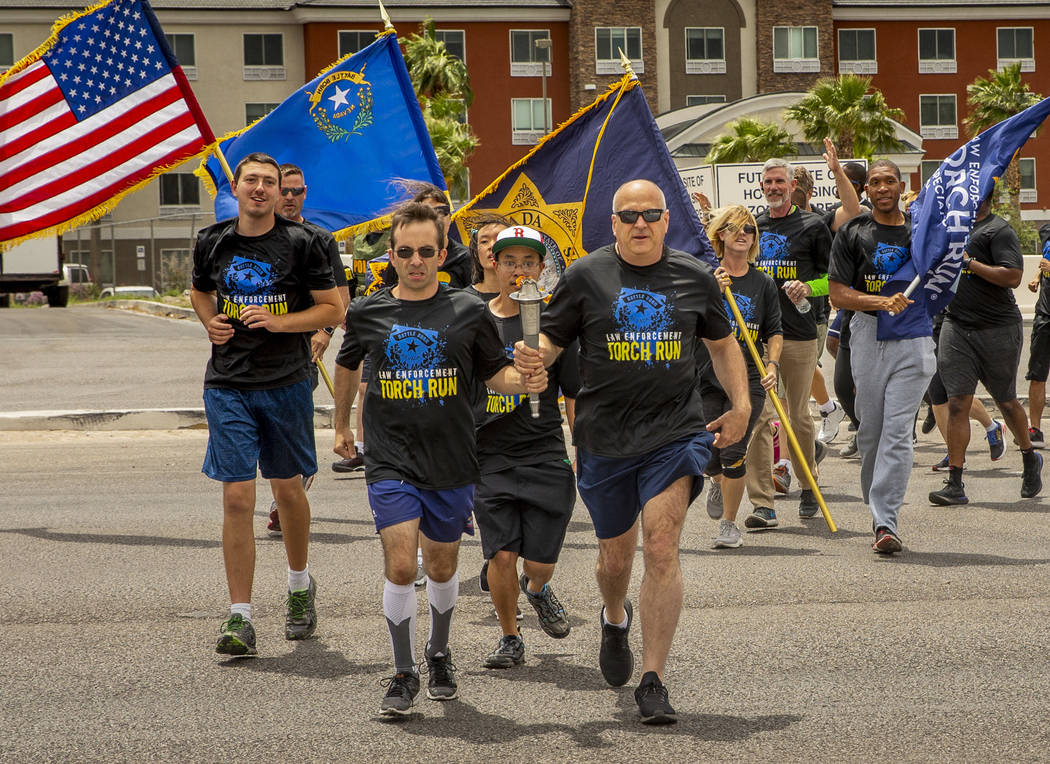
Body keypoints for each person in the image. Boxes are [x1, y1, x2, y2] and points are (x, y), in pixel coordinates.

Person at [514, 179, 750, 725]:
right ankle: (614, 616)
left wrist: (740, 405)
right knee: (614, 558)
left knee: (662, 545)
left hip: (674, 434)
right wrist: (535, 360)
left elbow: (722, 344)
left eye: (650, 214)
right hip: (605, 439)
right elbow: (551, 339)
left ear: (667, 220)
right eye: (628, 216)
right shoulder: (584, 277)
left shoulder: (694, 277)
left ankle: (654, 679)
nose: (639, 223)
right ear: (613, 223)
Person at [331, 202, 547, 717]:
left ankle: (439, 651)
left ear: (442, 253)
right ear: (392, 255)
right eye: (405, 252)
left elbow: (499, 376)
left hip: (451, 457)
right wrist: (341, 424)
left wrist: (529, 379)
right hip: (390, 458)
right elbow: (346, 365)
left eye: (426, 251)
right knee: (404, 564)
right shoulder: (367, 311)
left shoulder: (469, 312)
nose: (416, 261)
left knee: (444, 564)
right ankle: (404, 671)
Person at [189, 152, 342, 655]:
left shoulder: (306, 243)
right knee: (237, 496)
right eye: (250, 180)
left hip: (286, 381)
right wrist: (209, 321)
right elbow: (199, 291)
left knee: (288, 489)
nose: (259, 189)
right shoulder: (212, 241)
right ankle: (240, 617)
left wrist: (280, 322)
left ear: (281, 193)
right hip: (228, 382)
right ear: (235, 188)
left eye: (269, 183)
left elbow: (332, 308)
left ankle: (299, 586)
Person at [474, 225, 580, 668]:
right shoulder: (473, 318)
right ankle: (510, 635)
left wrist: (585, 451)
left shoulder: (555, 323)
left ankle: (535, 590)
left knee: (538, 564)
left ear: (541, 269)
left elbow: (572, 392)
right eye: (510, 261)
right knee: (501, 553)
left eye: (529, 262)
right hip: (489, 454)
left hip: (543, 451)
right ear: (493, 265)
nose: (519, 270)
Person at [828, 159, 935, 554]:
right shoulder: (853, 232)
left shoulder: (921, 232)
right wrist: (880, 301)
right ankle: (878, 513)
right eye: (875, 182)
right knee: (871, 432)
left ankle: (886, 521)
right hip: (869, 334)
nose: (883, 187)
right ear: (867, 190)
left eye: (890, 180)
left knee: (897, 434)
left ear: (901, 184)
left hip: (914, 336)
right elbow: (838, 294)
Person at [928, 192, 1043, 505]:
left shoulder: (998, 230)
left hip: (997, 328)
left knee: (1005, 401)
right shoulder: (951, 231)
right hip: (956, 325)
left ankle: (1029, 457)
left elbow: (1013, 276)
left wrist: (969, 263)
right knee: (957, 403)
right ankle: (955, 481)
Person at [745, 157, 832, 526]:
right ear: (761, 187)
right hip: (758, 340)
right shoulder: (753, 227)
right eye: (768, 183)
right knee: (760, 419)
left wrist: (807, 287)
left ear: (793, 185)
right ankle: (763, 503)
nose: (774, 188)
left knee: (797, 416)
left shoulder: (813, 225)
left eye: (780, 182)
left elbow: (834, 280)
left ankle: (808, 485)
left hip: (799, 334)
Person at [267, 162, 351, 535]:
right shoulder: (255, 238)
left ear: (305, 194)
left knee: (292, 424)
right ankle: (285, 491)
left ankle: (287, 498)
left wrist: (325, 331)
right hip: (260, 352)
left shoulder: (319, 239)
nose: (289, 197)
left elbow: (341, 296)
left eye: (296, 191)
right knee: (270, 430)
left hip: (303, 350)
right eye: (283, 190)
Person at [701, 205, 782, 549]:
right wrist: (712, 291)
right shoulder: (706, 277)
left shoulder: (762, 282)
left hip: (748, 376)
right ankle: (715, 479)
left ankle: (728, 524)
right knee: (707, 450)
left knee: (733, 449)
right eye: (735, 227)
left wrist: (773, 365)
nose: (744, 233)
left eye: (750, 229)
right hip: (705, 375)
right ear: (721, 233)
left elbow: (775, 331)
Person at [1024, 223, 1050, 448]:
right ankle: (1035, 430)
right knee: (1037, 373)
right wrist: (1037, 276)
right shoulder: (1046, 230)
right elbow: (1045, 263)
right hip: (1045, 313)